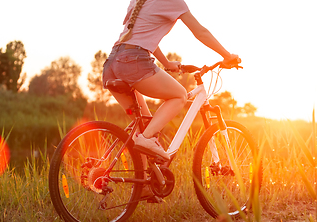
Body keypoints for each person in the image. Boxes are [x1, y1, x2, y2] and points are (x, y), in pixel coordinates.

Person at [102, 0, 240, 162]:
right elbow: (200, 32)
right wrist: (227, 56)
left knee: (145, 127)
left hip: (111, 65)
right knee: (180, 95)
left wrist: (167, 63)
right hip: (133, 62)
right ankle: (146, 139)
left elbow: (140, 37)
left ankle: (145, 184)